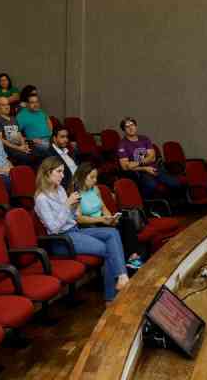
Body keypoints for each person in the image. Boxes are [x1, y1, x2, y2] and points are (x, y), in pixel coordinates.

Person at [34, 156, 130, 302]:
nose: (62, 175)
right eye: (59, 171)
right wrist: (67, 205)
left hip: (74, 230)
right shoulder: (41, 199)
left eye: (63, 171)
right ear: (47, 173)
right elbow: (54, 228)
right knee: (108, 248)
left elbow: (70, 217)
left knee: (112, 232)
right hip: (61, 240)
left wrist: (73, 207)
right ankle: (111, 297)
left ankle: (122, 277)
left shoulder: (59, 190)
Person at [73, 162, 144, 269]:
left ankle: (132, 257)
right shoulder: (76, 194)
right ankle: (125, 262)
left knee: (127, 222)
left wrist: (111, 218)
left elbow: (103, 207)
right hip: (91, 224)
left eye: (96, 177)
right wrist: (101, 219)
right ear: (82, 176)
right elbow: (79, 219)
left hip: (103, 219)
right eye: (92, 177)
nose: (95, 180)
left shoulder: (95, 189)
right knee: (117, 231)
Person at [116, 117, 183, 200]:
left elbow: (152, 157)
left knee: (176, 183)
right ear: (124, 130)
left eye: (132, 125)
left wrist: (135, 163)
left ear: (136, 126)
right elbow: (125, 167)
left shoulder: (144, 139)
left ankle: (171, 205)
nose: (130, 128)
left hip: (155, 168)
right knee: (152, 185)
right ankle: (147, 206)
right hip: (140, 172)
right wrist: (144, 168)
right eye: (127, 126)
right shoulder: (122, 144)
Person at [0, 96, 37, 166]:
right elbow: (0, 139)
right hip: (8, 148)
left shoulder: (13, 119)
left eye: (8, 104)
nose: (7, 107)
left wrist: (23, 145)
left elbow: (19, 134)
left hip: (18, 146)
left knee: (36, 152)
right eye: (3, 105)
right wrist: (19, 148)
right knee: (27, 157)